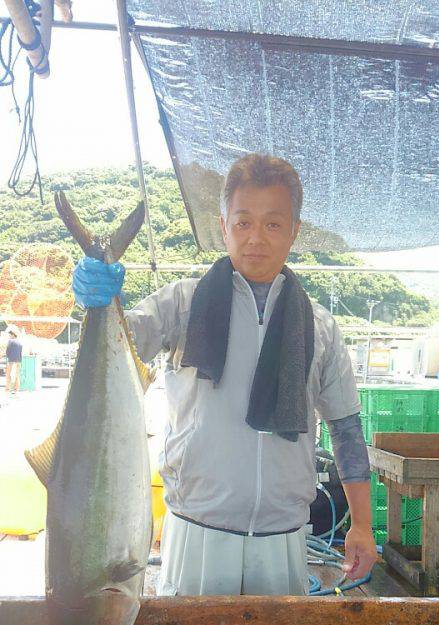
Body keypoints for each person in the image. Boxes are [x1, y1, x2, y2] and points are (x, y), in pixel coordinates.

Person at [72, 154, 377, 597]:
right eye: (243, 222)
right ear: (223, 225)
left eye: (273, 224)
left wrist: (363, 526)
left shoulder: (320, 326)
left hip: (282, 534)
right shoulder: (181, 304)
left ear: (294, 231)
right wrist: (96, 303)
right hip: (196, 527)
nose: (256, 238)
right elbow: (122, 344)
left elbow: (345, 429)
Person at [5, 327, 22, 395]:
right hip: (18, 361)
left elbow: (7, 351)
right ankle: (16, 389)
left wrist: (8, 356)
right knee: (17, 375)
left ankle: (8, 388)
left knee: (8, 374)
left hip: (11, 361)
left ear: (12, 335)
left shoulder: (10, 341)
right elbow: (20, 352)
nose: (9, 336)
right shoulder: (20, 342)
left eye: (10, 335)